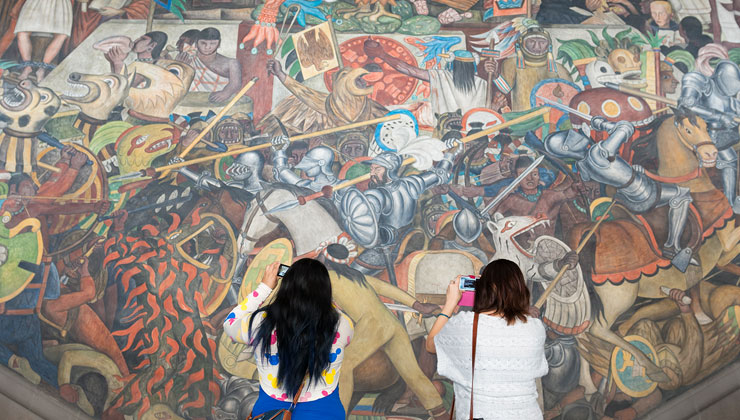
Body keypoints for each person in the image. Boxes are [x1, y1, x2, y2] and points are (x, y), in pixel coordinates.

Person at [223, 260, 353, 419]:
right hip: (327, 414)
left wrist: (265, 287)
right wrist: (323, 302)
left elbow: (230, 325)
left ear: (285, 287)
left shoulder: (261, 322)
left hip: (271, 413)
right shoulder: (342, 324)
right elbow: (343, 337)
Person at [426, 259, 548, 420]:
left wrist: (450, 303)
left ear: (483, 288)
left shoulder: (465, 324)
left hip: (482, 414)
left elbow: (431, 345)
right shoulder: (535, 328)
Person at [177, 27, 243, 103]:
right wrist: (180, 66)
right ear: (197, 43)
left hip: (220, 104)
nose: (207, 47)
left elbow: (235, 84)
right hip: (192, 102)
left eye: (212, 43)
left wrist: (225, 93)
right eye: (203, 43)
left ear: (219, 44)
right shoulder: (187, 59)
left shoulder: (232, 63)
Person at [14, 0, 73, 80]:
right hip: (35, 3)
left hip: (60, 4)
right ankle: (27, 67)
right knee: (22, 32)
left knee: (61, 35)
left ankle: (42, 69)